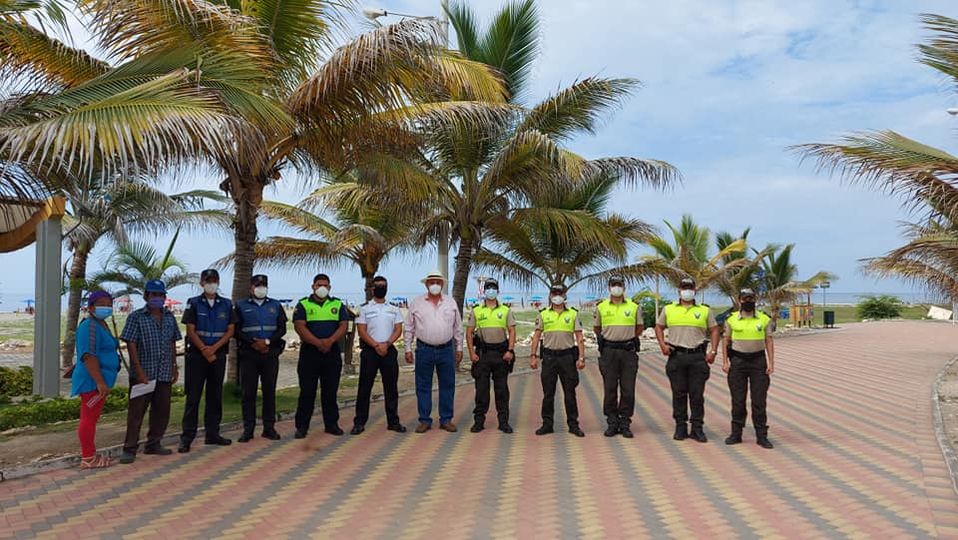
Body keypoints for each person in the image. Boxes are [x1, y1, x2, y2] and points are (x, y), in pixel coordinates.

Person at [119, 280, 182, 464]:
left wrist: (174, 366)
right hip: (143, 374)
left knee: (162, 411)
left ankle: (154, 443)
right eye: (154, 294)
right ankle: (129, 448)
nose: (157, 298)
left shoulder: (169, 317)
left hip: (164, 372)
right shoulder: (136, 317)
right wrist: (138, 370)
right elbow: (131, 343)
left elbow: (172, 341)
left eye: (161, 295)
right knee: (136, 413)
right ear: (146, 296)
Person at [654, 277, 720, 443]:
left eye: (690, 288)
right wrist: (662, 344)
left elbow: (714, 330)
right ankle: (680, 427)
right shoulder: (669, 309)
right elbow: (659, 327)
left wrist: (713, 351)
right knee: (679, 394)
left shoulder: (704, 310)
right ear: (679, 291)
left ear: (694, 290)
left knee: (697, 395)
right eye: (684, 288)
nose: (687, 291)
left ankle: (697, 428)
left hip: (697, 357)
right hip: (676, 356)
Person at [178, 269, 235, 453]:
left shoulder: (226, 304)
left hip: (217, 355)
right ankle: (187, 437)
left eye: (214, 280)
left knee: (215, 396)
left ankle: (213, 434)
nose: (212, 284)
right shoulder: (194, 303)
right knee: (193, 397)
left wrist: (214, 349)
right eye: (208, 280)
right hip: (197, 356)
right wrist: (204, 349)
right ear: (202, 283)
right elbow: (190, 330)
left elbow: (230, 330)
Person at [293, 273, 351, 439]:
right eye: (319, 285)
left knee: (330, 392)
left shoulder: (337, 304)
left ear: (330, 287)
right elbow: (299, 327)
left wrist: (330, 341)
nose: (322, 288)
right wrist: (318, 343)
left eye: (325, 285)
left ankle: (331, 425)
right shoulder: (303, 304)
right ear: (313, 286)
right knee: (307, 392)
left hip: (331, 353)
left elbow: (343, 325)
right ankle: (302, 427)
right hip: (310, 353)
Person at [404, 270, 462, 433]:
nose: (435, 285)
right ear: (426, 284)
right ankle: (424, 420)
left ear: (442, 284)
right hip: (424, 349)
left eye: (438, 282)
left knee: (448, 385)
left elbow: (458, 327)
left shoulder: (450, 302)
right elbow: (409, 327)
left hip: (446, 350)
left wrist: (459, 347)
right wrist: (407, 348)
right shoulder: (417, 303)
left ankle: (446, 419)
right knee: (423, 385)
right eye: (431, 282)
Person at [234, 274, 287, 442]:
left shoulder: (275, 305)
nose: (261, 288)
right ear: (251, 287)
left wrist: (267, 342)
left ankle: (269, 428)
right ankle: (248, 430)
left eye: (263, 285)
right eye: (257, 285)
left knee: (269, 392)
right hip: (249, 354)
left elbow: (282, 329)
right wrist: (253, 343)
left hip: (269, 353)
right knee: (248, 393)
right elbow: (236, 330)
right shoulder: (241, 306)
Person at [72, 291, 121, 469]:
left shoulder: (101, 324)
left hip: (100, 379)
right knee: (88, 418)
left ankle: (89, 455)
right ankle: (88, 458)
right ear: (91, 307)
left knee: (91, 417)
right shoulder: (90, 327)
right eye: (102, 304)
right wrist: (100, 382)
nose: (106, 307)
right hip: (92, 381)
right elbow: (88, 355)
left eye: (109, 304)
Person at [529, 284, 586, 437]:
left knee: (570, 393)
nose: (557, 296)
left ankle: (573, 425)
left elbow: (579, 337)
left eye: (560, 293)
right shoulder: (543, 314)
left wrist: (581, 358)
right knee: (548, 393)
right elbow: (536, 336)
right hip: (549, 358)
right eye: (554, 293)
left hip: (567, 358)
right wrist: (533, 356)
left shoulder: (573, 314)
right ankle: (547, 424)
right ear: (550, 295)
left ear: (565, 296)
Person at [722, 288, 776, 449]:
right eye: (745, 299)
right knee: (738, 400)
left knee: (759, 401)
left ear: (755, 300)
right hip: (738, 362)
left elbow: (769, 341)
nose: (748, 301)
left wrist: (771, 363)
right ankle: (736, 434)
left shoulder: (764, 319)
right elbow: (725, 341)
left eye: (751, 298)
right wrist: (725, 362)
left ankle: (762, 436)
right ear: (740, 300)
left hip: (758, 362)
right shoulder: (731, 319)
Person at [352, 275, 406, 434]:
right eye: (378, 286)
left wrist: (387, 344)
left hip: (388, 350)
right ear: (372, 289)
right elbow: (361, 331)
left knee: (391, 388)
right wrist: (376, 345)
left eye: (384, 286)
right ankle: (359, 422)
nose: (381, 288)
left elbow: (398, 329)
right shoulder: (364, 308)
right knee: (364, 387)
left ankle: (393, 422)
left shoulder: (394, 309)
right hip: (370, 351)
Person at [593, 276, 643, 438]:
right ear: (609, 287)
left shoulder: (634, 307)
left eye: (619, 285)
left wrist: (626, 337)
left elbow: (639, 327)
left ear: (624, 287)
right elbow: (597, 328)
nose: (616, 288)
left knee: (628, 389)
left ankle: (625, 422)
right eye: (613, 285)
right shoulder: (601, 307)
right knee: (610, 388)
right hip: (609, 352)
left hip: (628, 352)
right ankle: (612, 422)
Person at [465, 278, 517, 434]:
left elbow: (512, 331)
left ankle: (503, 422)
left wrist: (510, 350)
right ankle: (479, 422)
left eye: (494, 288)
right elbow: (469, 332)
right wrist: (471, 353)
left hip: (501, 355)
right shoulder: (476, 310)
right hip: (483, 355)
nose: (491, 291)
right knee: (481, 390)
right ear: (484, 291)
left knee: (502, 391)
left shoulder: (506, 310)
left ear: (498, 291)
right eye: (488, 288)